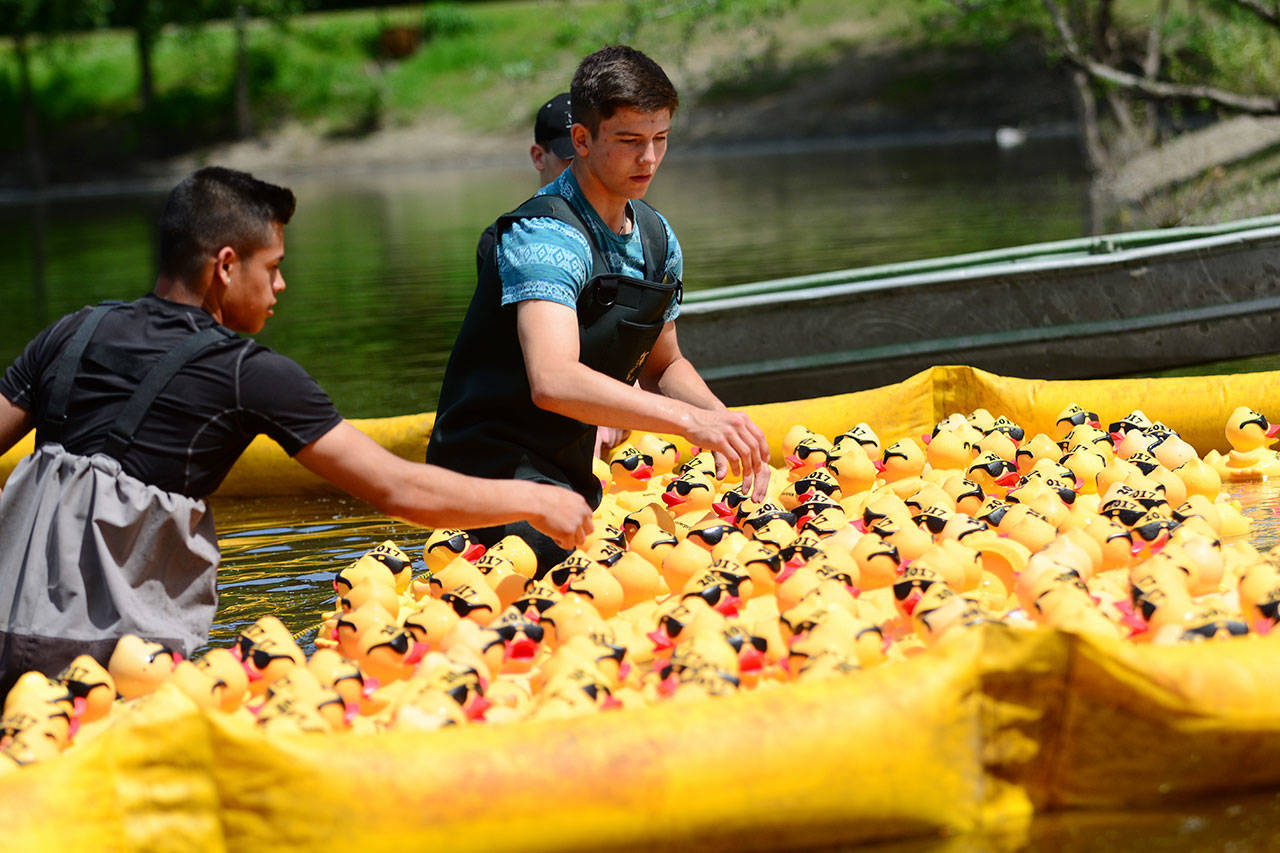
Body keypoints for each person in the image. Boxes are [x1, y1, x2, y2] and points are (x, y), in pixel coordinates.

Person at [0, 166, 593, 696]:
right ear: (226, 266)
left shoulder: (71, 332)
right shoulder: (245, 373)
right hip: (112, 664)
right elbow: (400, 490)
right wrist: (538, 498)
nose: (280, 287)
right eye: (274, 267)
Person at [426, 45, 771, 573]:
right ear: (581, 140)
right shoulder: (543, 236)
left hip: (564, 480)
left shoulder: (658, 238)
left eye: (660, 140)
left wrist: (724, 423)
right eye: (630, 142)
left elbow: (664, 366)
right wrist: (688, 424)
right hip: (484, 482)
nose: (649, 160)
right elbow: (554, 380)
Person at [475, 92, 576, 273]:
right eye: (570, 158)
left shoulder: (632, 227)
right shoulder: (500, 241)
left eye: (590, 156)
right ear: (538, 157)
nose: (583, 169)